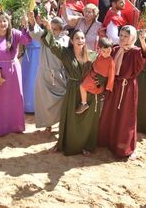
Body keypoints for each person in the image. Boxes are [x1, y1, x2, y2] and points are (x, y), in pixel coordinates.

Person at [39, 18, 101, 156]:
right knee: (70, 119)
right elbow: (52, 44)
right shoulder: (65, 53)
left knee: (86, 120)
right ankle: (64, 144)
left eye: (82, 38)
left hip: (89, 91)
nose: (80, 40)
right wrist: (49, 29)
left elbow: (103, 67)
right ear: (72, 41)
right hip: (72, 89)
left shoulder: (92, 55)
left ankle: (86, 145)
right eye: (77, 38)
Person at [98, 26, 146, 159]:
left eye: (126, 36)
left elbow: (144, 55)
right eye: (121, 35)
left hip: (127, 88)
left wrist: (143, 41)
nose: (122, 38)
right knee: (110, 112)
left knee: (126, 116)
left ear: (132, 37)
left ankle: (123, 146)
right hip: (114, 85)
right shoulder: (115, 49)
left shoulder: (135, 52)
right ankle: (107, 141)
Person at [28, 15, 69, 131]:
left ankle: (61, 123)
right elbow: (35, 33)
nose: (54, 30)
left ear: (61, 29)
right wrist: (32, 21)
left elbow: (57, 47)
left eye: (56, 28)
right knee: (44, 102)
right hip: (44, 74)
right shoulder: (45, 37)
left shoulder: (65, 40)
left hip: (59, 75)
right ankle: (48, 125)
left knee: (61, 100)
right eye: (52, 28)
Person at [77, 37, 115, 114]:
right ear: (99, 49)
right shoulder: (97, 56)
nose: (106, 53)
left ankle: (84, 103)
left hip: (97, 80)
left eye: (109, 51)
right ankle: (84, 102)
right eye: (104, 51)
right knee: (82, 86)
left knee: (82, 87)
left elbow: (112, 75)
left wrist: (108, 88)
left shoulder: (111, 61)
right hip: (92, 76)